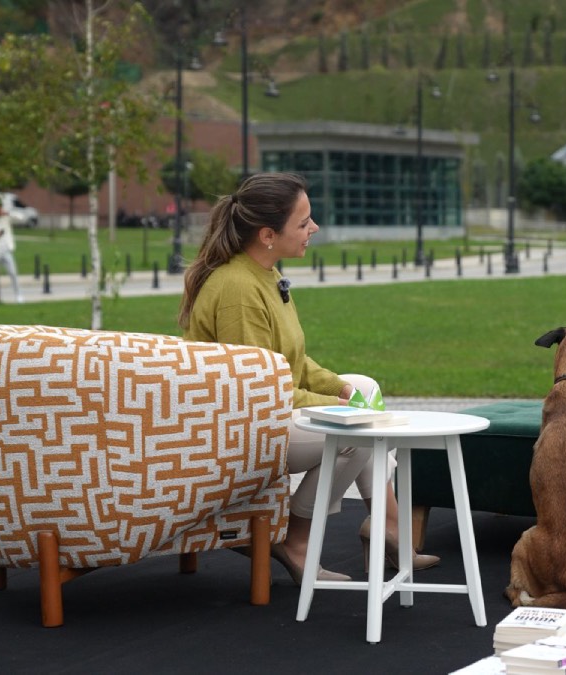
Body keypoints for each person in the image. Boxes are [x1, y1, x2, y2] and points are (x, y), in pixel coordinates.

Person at [178, 172, 438, 583]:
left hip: (264, 411)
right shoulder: (238, 290)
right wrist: (335, 408)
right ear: (267, 234)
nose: (313, 229)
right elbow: (257, 391)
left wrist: (342, 388)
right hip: (237, 428)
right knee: (355, 430)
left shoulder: (264, 274)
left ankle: (388, 526)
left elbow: (291, 363)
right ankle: (295, 541)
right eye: (303, 223)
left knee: (365, 390)